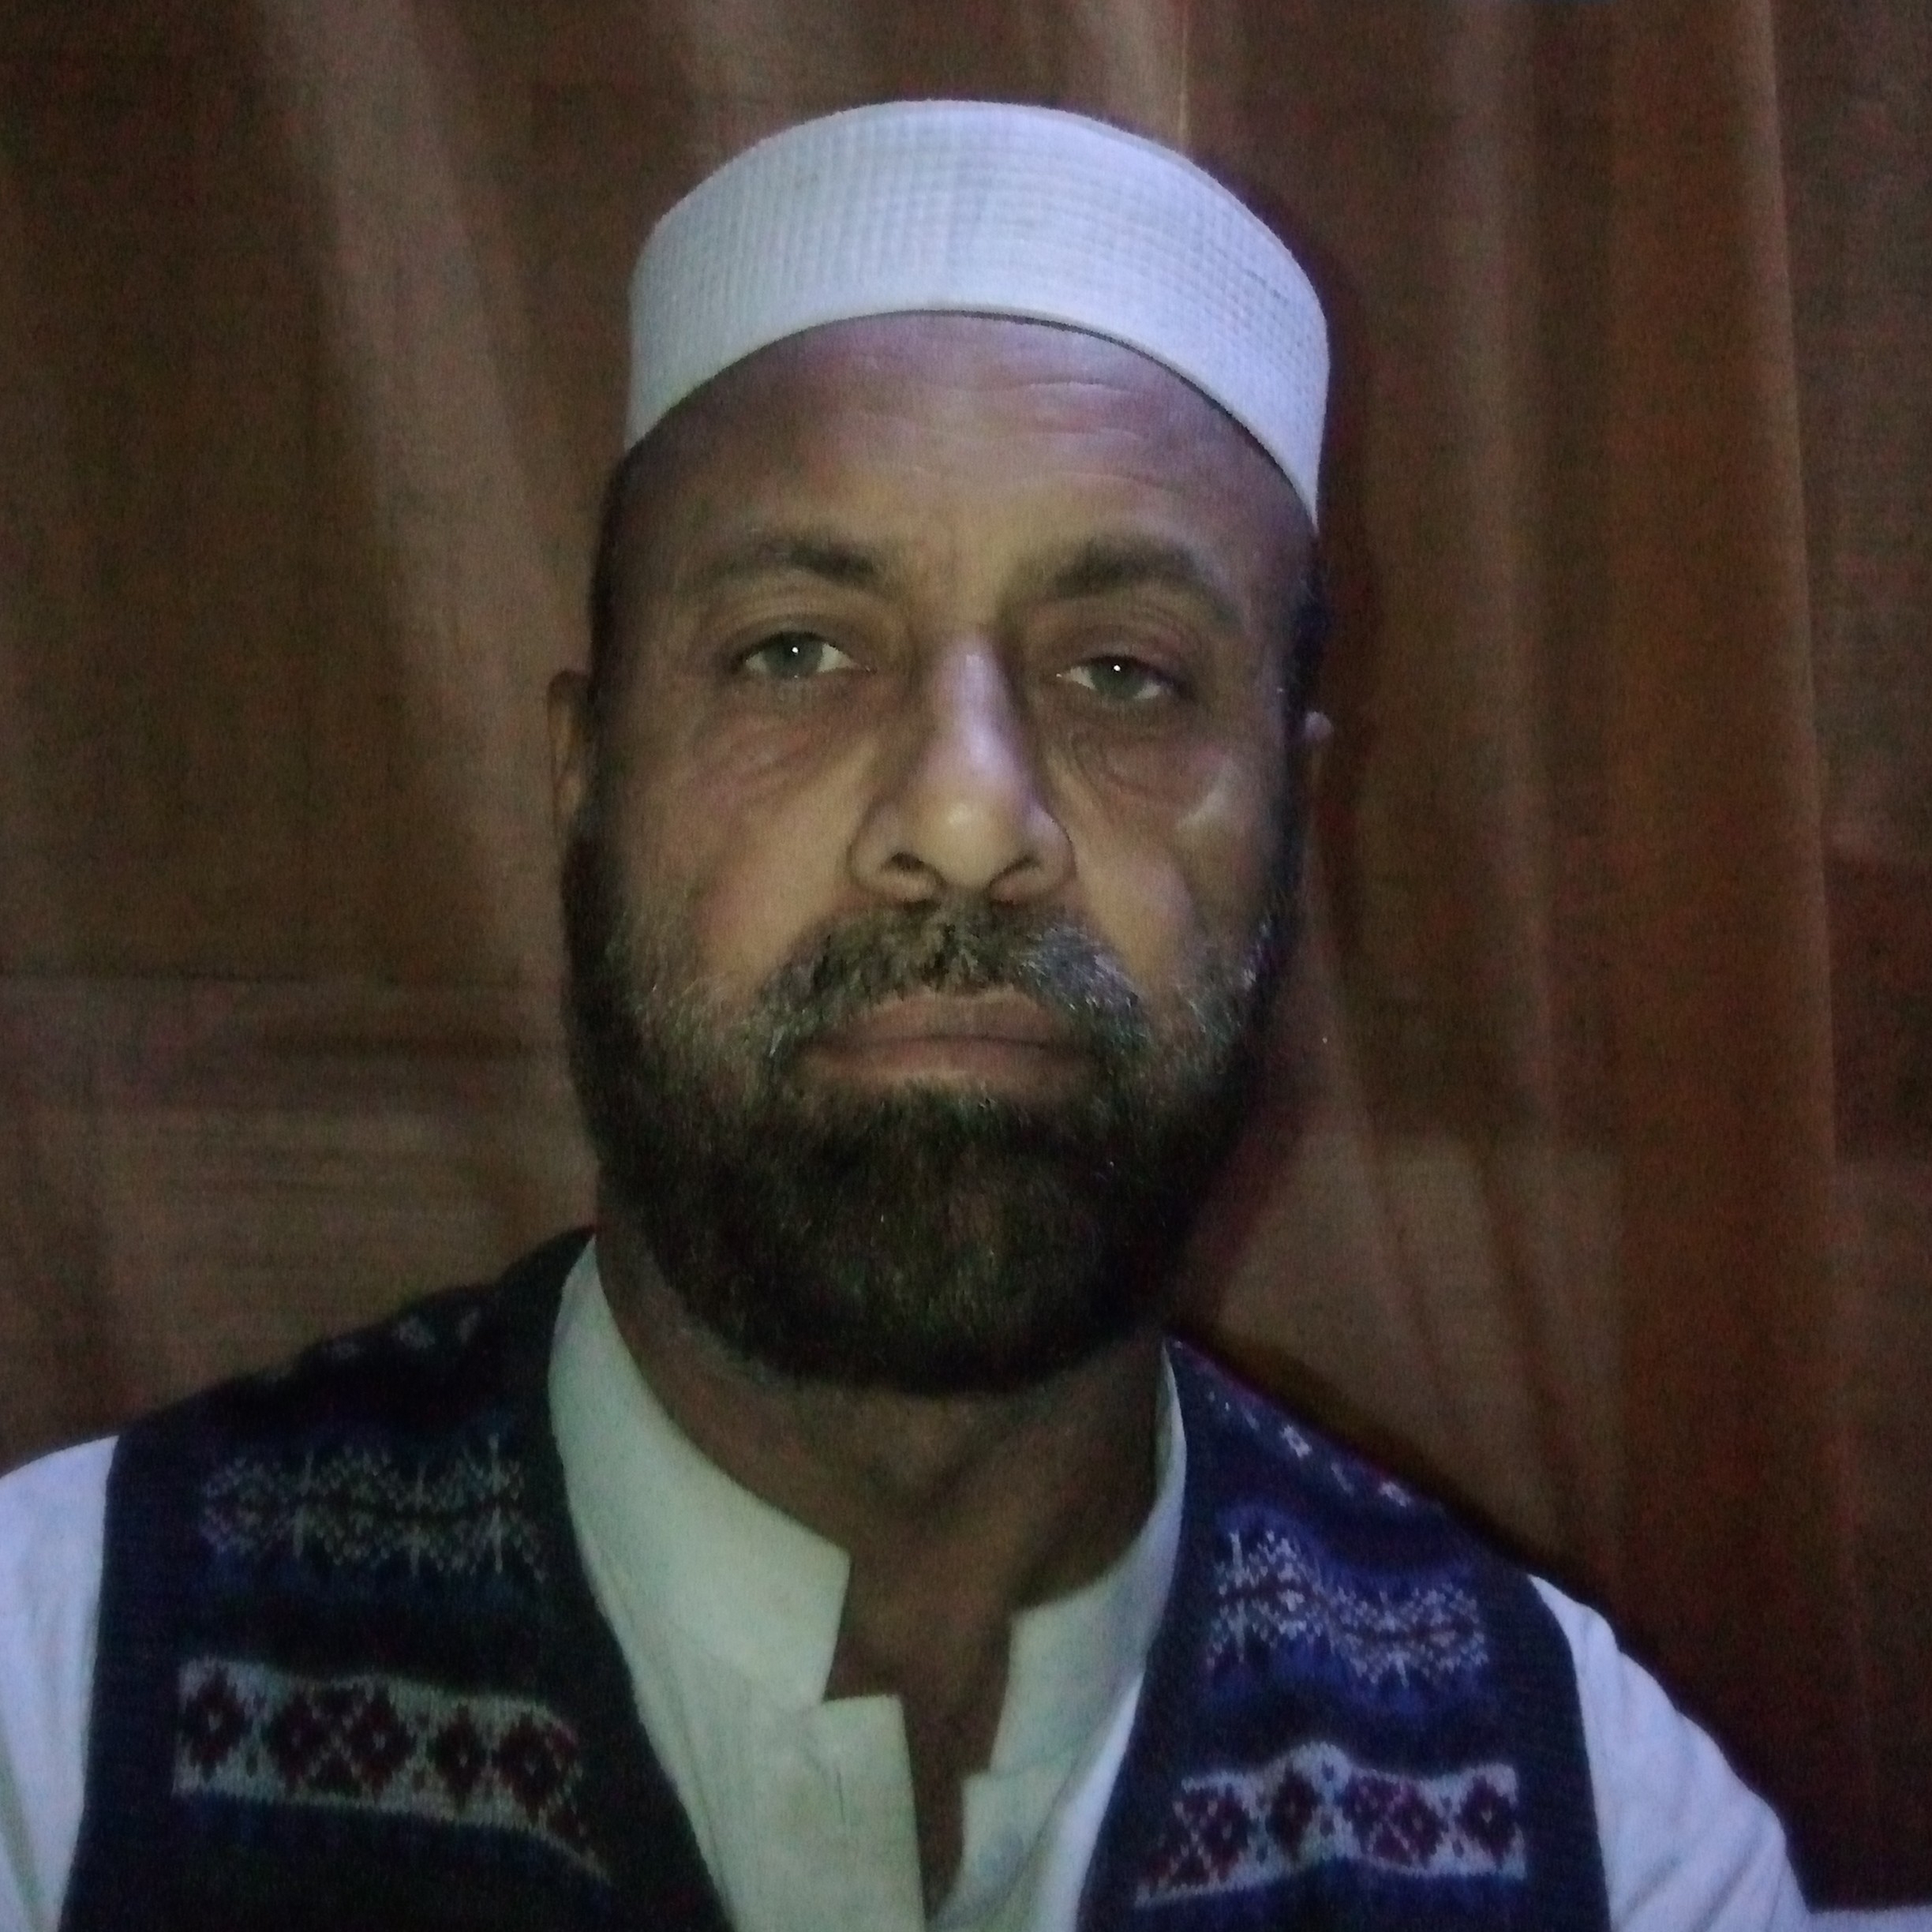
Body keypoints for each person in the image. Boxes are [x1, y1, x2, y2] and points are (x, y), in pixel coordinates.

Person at [0, 101, 1813, 1930]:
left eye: (1125, 674)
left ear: (1295, 822)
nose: (963, 817)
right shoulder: (53, 1712)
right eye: (794, 650)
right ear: (586, 775)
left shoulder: (1608, 1827)